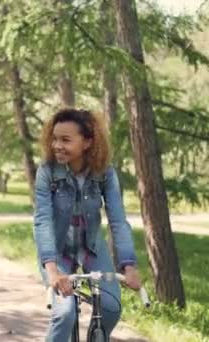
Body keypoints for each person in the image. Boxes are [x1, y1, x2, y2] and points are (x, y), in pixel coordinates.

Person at [33, 108, 142, 341]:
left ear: (87, 142)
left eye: (65, 139)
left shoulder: (105, 174)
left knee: (111, 308)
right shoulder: (46, 172)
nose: (56, 145)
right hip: (58, 251)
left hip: (91, 248)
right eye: (54, 138)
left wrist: (129, 265)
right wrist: (52, 270)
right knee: (65, 314)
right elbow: (42, 221)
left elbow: (118, 221)